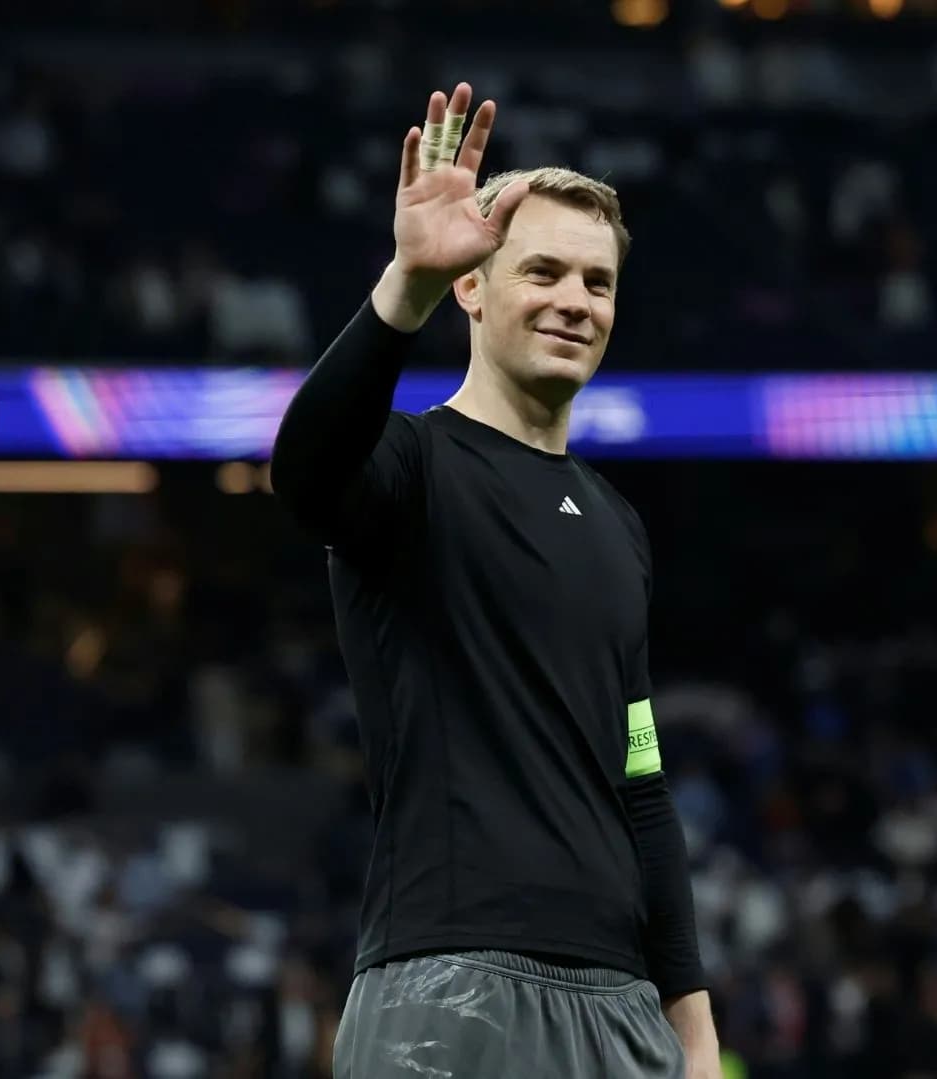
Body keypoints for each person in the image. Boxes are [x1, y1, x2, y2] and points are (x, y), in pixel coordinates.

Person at [269, 82, 721, 1079]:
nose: (575, 301)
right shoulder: (408, 467)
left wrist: (690, 1024)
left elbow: (641, 777)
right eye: (543, 271)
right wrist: (404, 288)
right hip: (449, 986)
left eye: (597, 282)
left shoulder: (618, 525)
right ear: (472, 288)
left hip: (621, 1010)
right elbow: (300, 471)